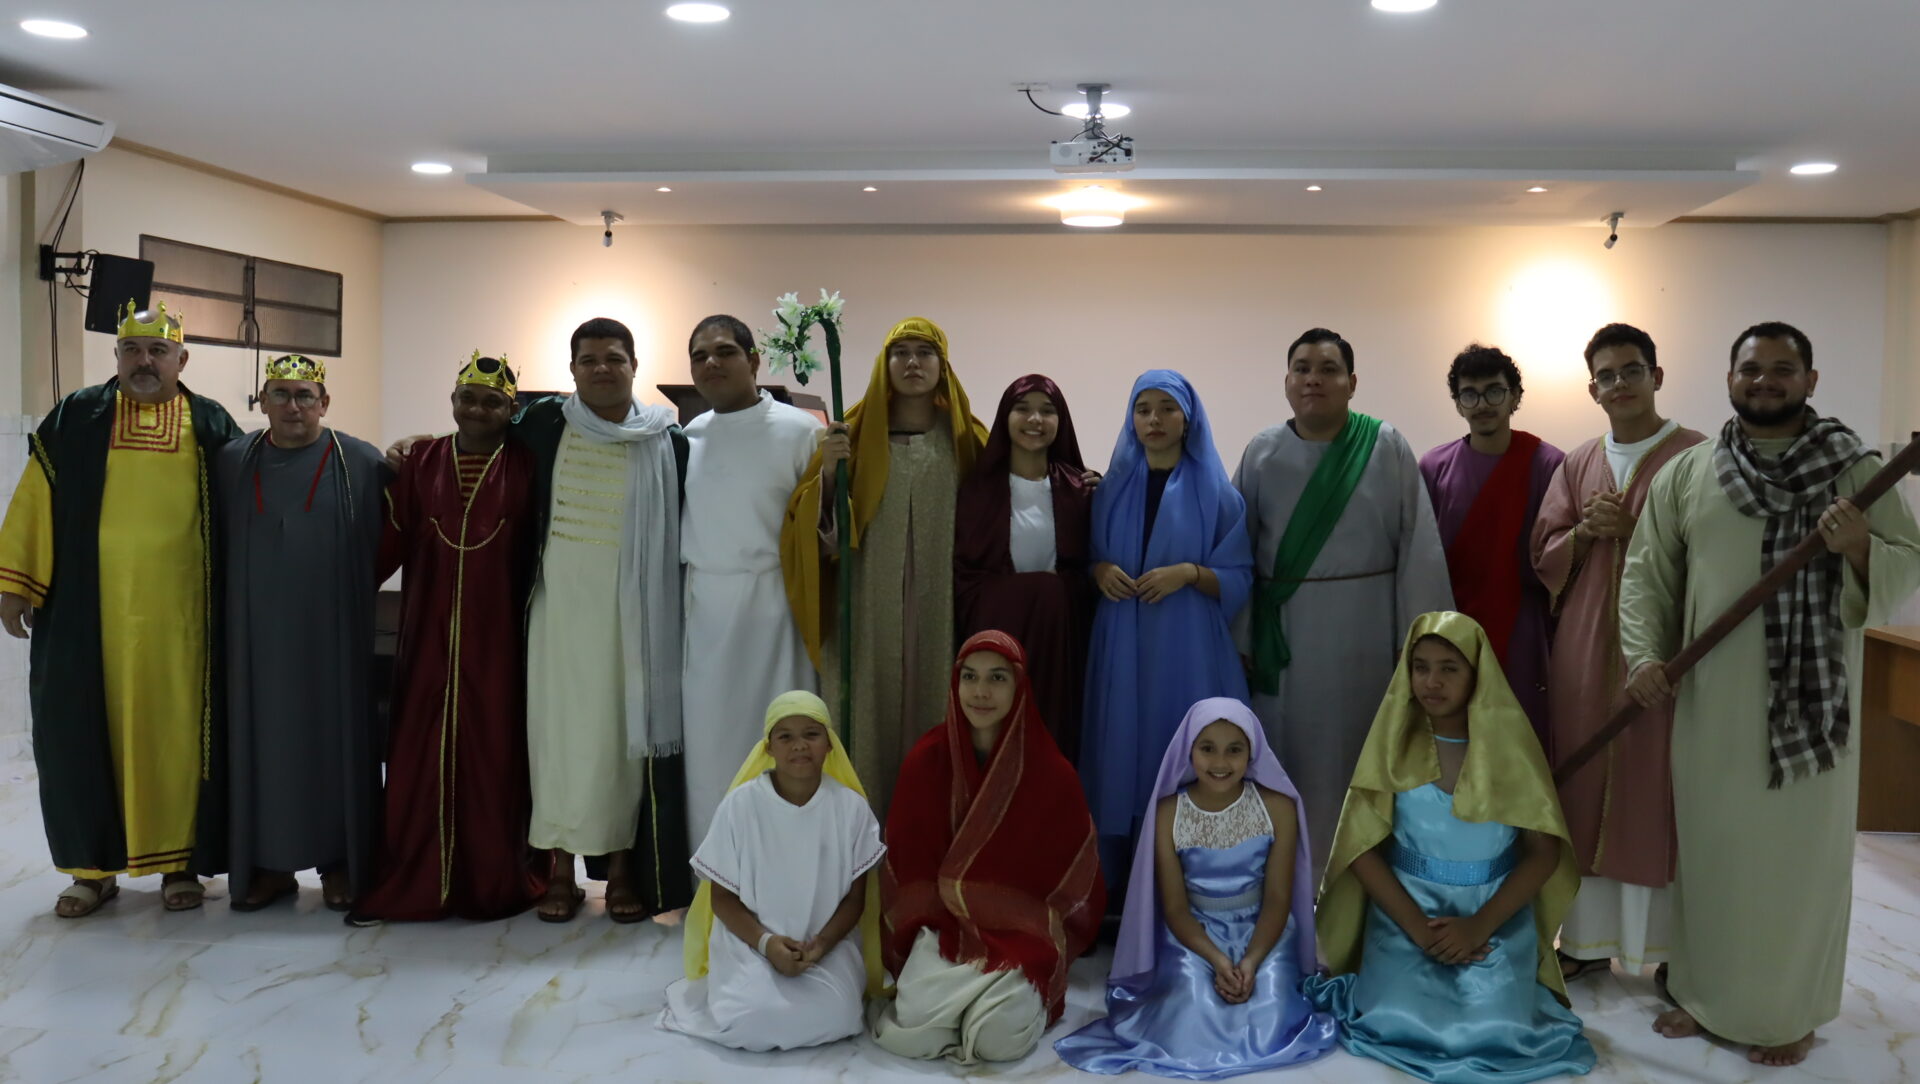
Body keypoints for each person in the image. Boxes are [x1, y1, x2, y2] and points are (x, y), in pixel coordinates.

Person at [1619, 321, 1920, 1067]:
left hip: (1813, 716)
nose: (1766, 380)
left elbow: (1908, 558)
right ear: (1729, 379)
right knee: (1714, 857)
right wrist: (1645, 657)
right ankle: (1702, 994)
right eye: (1752, 368)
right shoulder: (1690, 471)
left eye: (1784, 368)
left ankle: (1789, 1011)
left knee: (1799, 867)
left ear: (1810, 381)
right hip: (1713, 706)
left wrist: (1858, 546)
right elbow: (1649, 572)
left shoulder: (1855, 468)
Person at [0, 301, 241, 917]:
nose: (144, 361)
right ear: (117, 356)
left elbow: (251, 503)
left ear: (182, 359)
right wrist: (16, 582)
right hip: (86, 616)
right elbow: (35, 498)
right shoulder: (77, 416)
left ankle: (179, 864)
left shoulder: (211, 423)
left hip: (184, 624)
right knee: (79, 735)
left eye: (158, 351)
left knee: (178, 739)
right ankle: (92, 870)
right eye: (132, 350)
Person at [1304, 611, 1596, 1082]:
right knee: (1396, 1018)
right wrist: (1418, 930)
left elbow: (1544, 853)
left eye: (1449, 668)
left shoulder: (1510, 751)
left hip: (1492, 918)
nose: (1432, 682)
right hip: (1405, 917)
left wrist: (1479, 926)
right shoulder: (1391, 748)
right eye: (1420, 667)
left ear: (1478, 675)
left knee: (1495, 1027)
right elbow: (1360, 849)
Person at [1233, 328, 1452, 878]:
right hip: (1286, 639)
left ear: (1352, 383)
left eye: (1328, 369)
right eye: (1302, 368)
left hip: (1366, 633)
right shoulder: (1262, 452)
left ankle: (1364, 884)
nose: (1314, 379)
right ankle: (1290, 885)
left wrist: (1420, 643)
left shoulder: (1385, 444)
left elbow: (1418, 546)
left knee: (1363, 758)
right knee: (1288, 761)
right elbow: (1236, 552)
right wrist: (1241, 636)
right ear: (1286, 382)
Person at [1531, 323, 1704, 978]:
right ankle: (1584, 945)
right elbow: (1544, 553)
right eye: (1606, 375)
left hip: (1664, 645)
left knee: (1656, 787)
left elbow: (1714, 553)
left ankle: (1667, 952)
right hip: (1583, 645)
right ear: (1592, 389)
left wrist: (1637, 531)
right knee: (1583, 783)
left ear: (1656, 376)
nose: (1619, 384)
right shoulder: (1578, 463)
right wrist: (1584, 532)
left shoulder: (1696, 456)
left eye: (1631, 370)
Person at [352, 353, 546, 924]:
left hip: (502, 644)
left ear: (512, 409)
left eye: (493, 402)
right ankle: (417, 878)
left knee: (495, 756)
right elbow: (386, 543)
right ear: (452, 401)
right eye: (468, 398)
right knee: (420, 754)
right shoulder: (420, 461)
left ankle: (491, 879)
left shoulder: (531, 465)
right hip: (426, 640)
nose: (478, 410)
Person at [1055, 697, 1337, 1078]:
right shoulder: (1168, 813)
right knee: (1191, 1010)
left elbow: (1277, 899)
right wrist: (1217, 960)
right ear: (1189, 751)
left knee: (1269, 1006)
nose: (1220, 762)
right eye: (1207, 748)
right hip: (1193, 935)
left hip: (1264, 932)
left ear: (1252, 752)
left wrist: (1250, 961)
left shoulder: (1278, 808)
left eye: (1234, 750)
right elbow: (1174, 907)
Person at [519, 317, 692, 923]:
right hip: (559, 615)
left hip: (633, 619)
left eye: (614, 358)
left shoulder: (666, 440)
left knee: (622, 742)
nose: (601, 369)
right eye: (588, 360)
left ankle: (621, 870)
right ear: (571, 370)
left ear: (634, 366)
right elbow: (481, 444)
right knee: (558, 740)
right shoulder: (543, 425)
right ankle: (559, 871)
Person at [780, 316, 987, 812]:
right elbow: (807, 527)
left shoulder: (965, 436)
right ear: (884, 363)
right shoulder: (851, 433)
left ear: (943, 365)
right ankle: (861, 831)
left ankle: (929, 828)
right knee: (867, 716)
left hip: (940, 606)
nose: (913, 362)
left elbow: (1011, 488)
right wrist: (830, 473)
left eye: (925, 352)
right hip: (868, 605)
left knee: (935, 705)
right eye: (901, 352)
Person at [872, 631, 1105, 1064]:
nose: (981, 692)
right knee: (913, 1030)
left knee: (999, 1042)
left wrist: (1004, 919)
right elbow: (910, 869)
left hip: (1020, 937)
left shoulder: (1051, 772)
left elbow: (1070, 881)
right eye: (970, 677)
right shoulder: (926, 760)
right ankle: (960, 1014)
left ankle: (977, 1016)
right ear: (955, 683)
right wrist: (957, 920)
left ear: (1019, 687)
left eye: (997, 678)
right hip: (942, 931)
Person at [217, 354, 387, 912]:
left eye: (305, 395)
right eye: (281, 394)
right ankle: (269, 866)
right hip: (254, 643)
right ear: (263, 401)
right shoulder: (232, 460)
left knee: (334, 745)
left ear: (324, 403)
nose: (293, 406)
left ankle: (338, 863)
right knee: (263, 749)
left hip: (331, 638)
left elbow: (400, 531)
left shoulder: (360, 461)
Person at [1081, 370, 1253, 895]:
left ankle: (1188, 886)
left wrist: (1189, 573)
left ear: (1188, 418)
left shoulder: (1218, 494)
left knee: (1177, 746)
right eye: (1143, 409)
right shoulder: (1109, 490)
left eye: (1166, 408)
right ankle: (1118, 891)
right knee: (1119, 750)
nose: (1154, 420)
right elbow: (1085, 557)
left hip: (1186, 645)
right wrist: (1098, 570)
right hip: (1121, 638)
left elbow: (1241, 575)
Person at [660, 690, 885, 1051]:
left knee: (840, 1017)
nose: (799, 745)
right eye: (785, 736)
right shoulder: (739, 806)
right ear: (768, 747)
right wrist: (767, 944)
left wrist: (820, 945)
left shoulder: (851, 809)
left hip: (827, 945)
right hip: (749, 943)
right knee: (750, 1019)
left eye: (811, 734)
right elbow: (722, 899)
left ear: (829, 744)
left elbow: (855, 900)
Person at [680, 315, 824, 849]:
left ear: (754, 360)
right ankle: (715, 874)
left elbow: (824, 525)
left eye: (724, 352)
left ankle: (786, 864)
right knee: (710, 750)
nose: (711, 363)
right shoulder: (689, 438)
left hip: (777, 608)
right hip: (708, 613)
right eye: (700, 356)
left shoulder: (800, 431)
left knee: (783, 744)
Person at [1419, 344, 1564, 740]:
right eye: (1470, 394)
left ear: (1515, 396)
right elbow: (1421, 558)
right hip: (1452, 622)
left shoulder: (1549, 464)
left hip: (1524, 628)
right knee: (1454, 738)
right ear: (1457, 403)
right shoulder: (1434, 467)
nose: (1482, 404)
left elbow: (1561, 556)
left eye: (1494, 391)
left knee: (1520, 736)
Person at [954, 374, 1096, 759]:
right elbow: (965, 579)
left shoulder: (1079, 490)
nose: (1035, 419)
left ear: (1061, 421)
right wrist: (1039, 586)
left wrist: (1057, 590)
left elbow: (1089, 573)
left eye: (1047, 411)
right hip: (998, 634)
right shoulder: (978, 491)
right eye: (1023, 409)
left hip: (1058, 637)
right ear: (1005, 417)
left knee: (1052, 734)